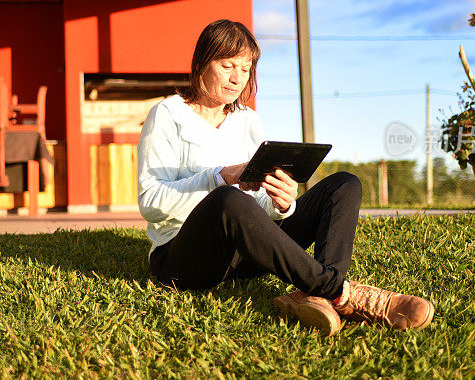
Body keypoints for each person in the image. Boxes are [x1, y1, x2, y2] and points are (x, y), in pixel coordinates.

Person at [137, 19, 434, 335]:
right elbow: (150, 203)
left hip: (245, 254)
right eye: (227, 66)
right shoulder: (167, 115)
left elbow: (260, 204)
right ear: (202, 62)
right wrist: (217, 178)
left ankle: (317, 295)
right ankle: (341, 293)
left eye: (246, 68)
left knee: (344, 184)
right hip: (184, 258)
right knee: (227, 198)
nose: (238, 78)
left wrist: (282, 203)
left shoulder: (248, 120)